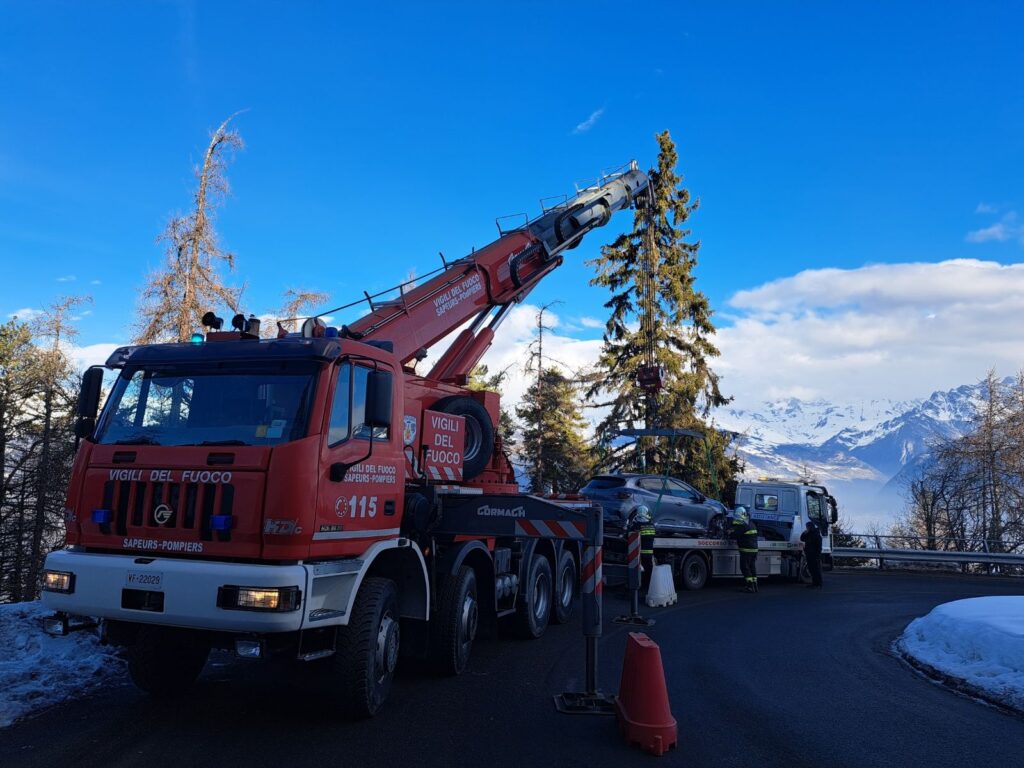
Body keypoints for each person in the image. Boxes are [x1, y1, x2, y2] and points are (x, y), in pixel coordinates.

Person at [729, 506, 759, 593]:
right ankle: (755, 585)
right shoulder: (751, 524)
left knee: (744, 567)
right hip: (754, 550)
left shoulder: (742, 525)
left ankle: (749, 586)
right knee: (752, 567)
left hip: (746, 550)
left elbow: (734, 535)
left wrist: (729, 532)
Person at [629, 505, 657, 592]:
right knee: (649, 570)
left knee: (639, 570)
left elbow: (629, 534)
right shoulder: (651, 525)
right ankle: (648, 586)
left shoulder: (637, 525)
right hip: (649, 553)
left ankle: (639, 586)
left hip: (639, 553)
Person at [801, 520, 824, 588]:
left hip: (814, 555)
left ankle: (818, 583)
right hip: (809, 554)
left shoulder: (816, 534)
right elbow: (802, 539)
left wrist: (817, 555)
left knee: (815, 570)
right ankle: (814, 583)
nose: (806, 528)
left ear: (810, 527)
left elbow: (819, 546)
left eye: (807, 527)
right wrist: (804, 533)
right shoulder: (809, 534)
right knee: (811, 569)